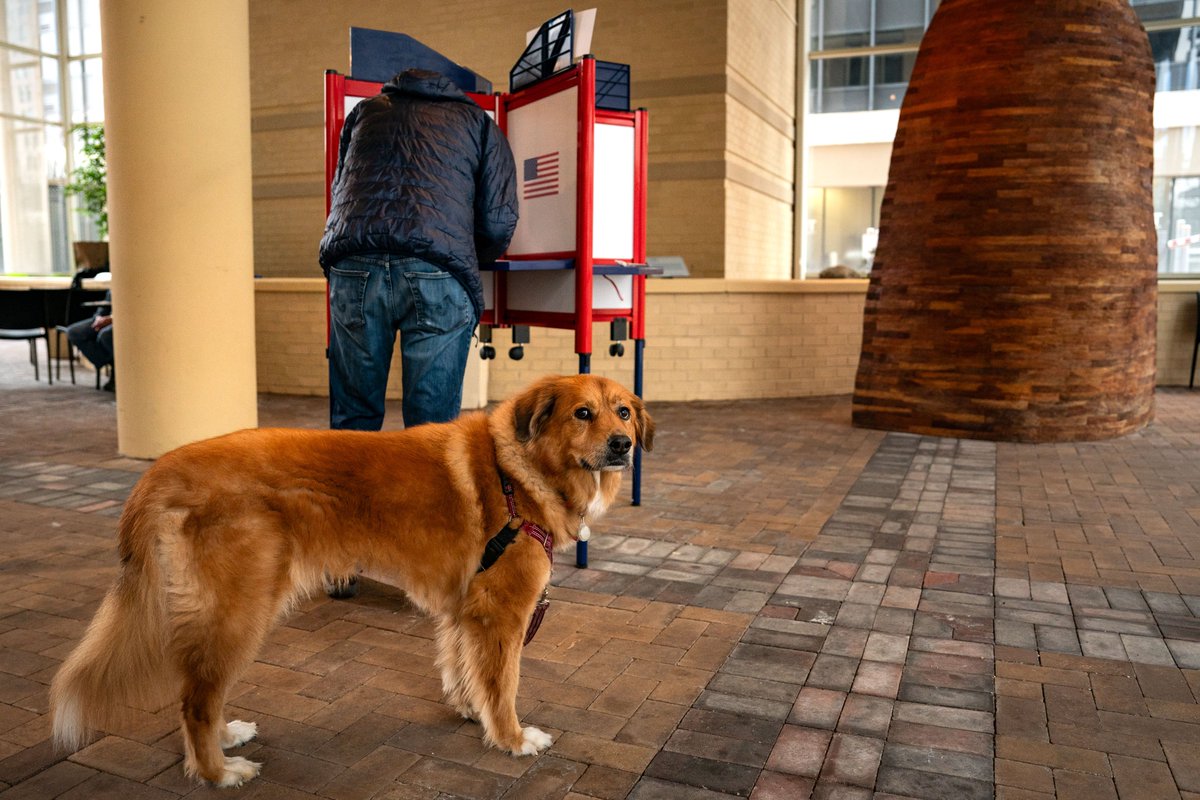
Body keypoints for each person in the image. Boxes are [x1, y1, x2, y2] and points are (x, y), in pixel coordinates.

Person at [318, 68, 518, 598]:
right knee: (431, 432)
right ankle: (426, 566)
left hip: (354, 266)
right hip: (437, 272)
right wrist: (462, 254)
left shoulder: (365, 114)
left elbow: (341, 191)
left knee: (352, 421)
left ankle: (341, 562)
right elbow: (499, 220)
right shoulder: (478, 122)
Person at [65, 291, 114, 392]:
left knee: (105, 335)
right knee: (74, 332)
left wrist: (111, 319)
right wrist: (98, 317)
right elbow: (106, 303)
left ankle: (116, 371)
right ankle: (110, 363)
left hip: (121, 319)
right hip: (105, 316)